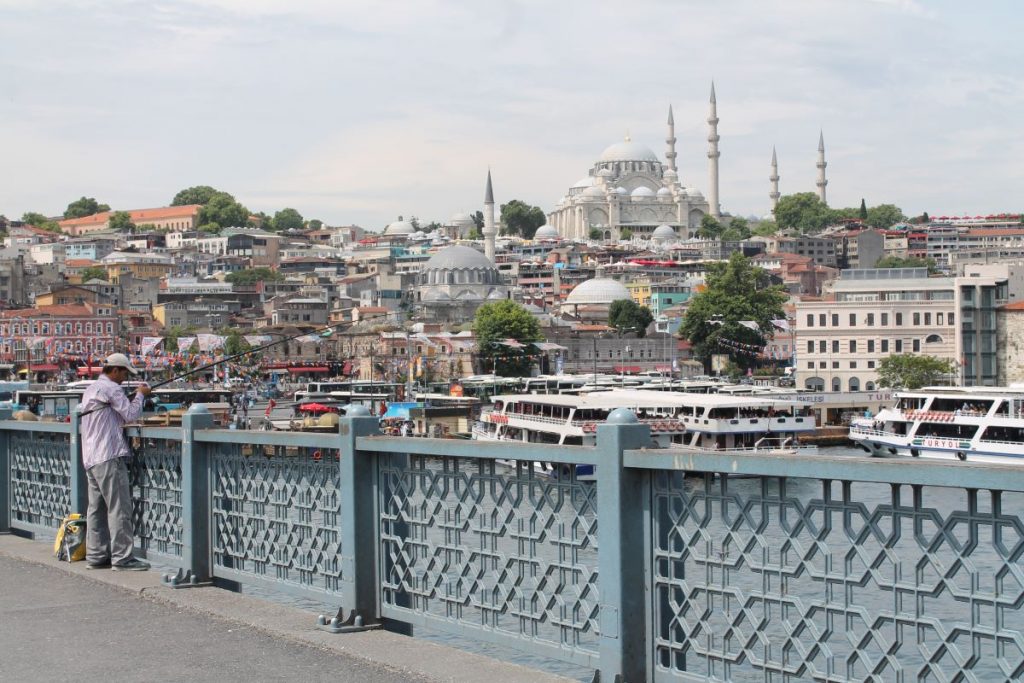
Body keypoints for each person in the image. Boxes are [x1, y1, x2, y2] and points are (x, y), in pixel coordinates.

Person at [78, 353, 152, 571]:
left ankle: (97, 556)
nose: (124, 378)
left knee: (96, 509)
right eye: (124, 373)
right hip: (109, 455)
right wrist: (140, 395)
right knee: (119, 508)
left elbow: (113, 417)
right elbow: (130, 415)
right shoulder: (112, 389)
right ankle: (122, 558)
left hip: (90, 456)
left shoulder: (91, 389)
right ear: (116, 370)